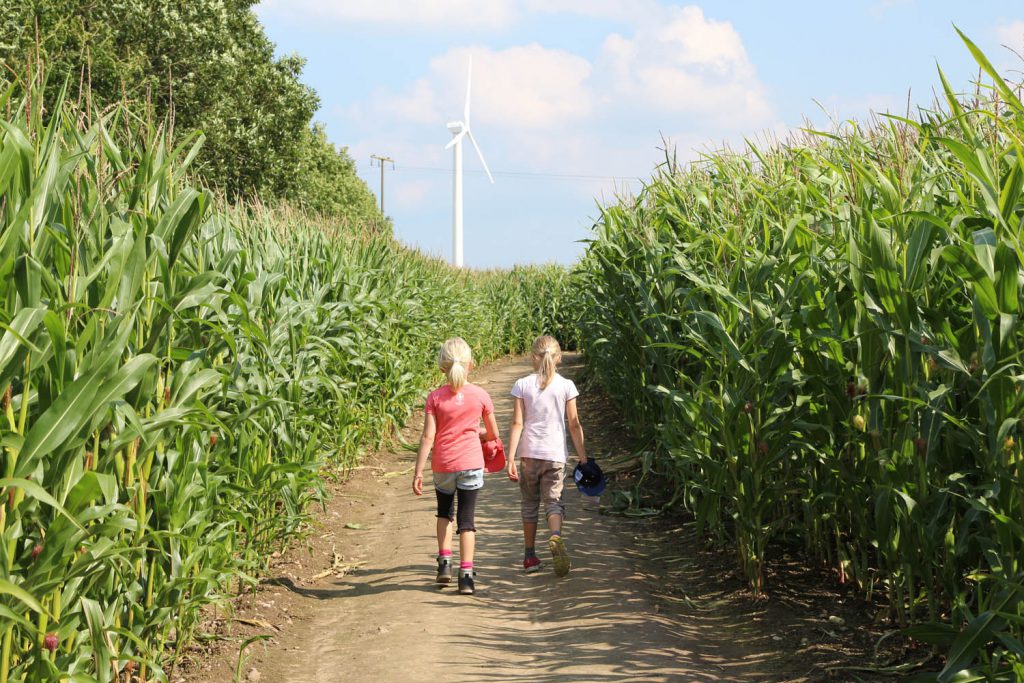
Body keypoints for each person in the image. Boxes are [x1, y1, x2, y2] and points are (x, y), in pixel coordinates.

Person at [413, 337, 500, 595]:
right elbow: (493, 433)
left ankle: (444, 564)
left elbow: (428, 436)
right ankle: (466, 575)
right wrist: (479, 435)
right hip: (471, 463)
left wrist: (418, 471)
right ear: (470, 364)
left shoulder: (435, 398)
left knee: (444, 513)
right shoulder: (481, 396)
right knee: (467, 521)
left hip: (443, 464)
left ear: (442, 367)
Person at [506, 335, 587, 577]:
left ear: (533, 358)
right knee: (553, 502)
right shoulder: (566, 386)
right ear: (559, 358)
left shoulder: (522, 384)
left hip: (529, 455)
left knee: (529, 504)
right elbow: (574, 424)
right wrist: (583, 457)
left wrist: (510, 457)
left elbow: (517, 423)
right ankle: (555, 537)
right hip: (555, 456)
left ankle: (530, 556)